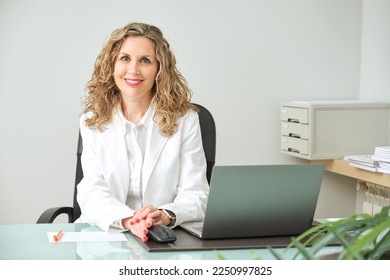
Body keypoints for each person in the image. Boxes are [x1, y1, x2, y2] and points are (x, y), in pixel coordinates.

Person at [75, 22, 209, 242]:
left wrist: (164, 216)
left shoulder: (185, 120)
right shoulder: (92, 121)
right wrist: (129, 220)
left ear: (159, 69)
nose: (133, 70)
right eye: (125, 58)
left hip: (165, 237)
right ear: (112, 65)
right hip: (108, 233)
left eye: (145, 60)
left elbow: (196, 193)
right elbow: (92, 190)